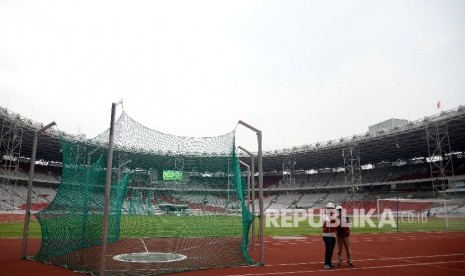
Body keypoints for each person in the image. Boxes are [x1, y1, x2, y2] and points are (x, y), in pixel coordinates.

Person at [322, 202, 337, 270]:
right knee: (328, 249)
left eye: (332, 208)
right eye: (330, 208)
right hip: (326, 235)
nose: (331, 209)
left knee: (331, 250)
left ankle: (329, 263)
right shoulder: (324, 215)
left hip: (333, 235)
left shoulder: (334, 215)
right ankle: (326, 264)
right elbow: (328, 222)